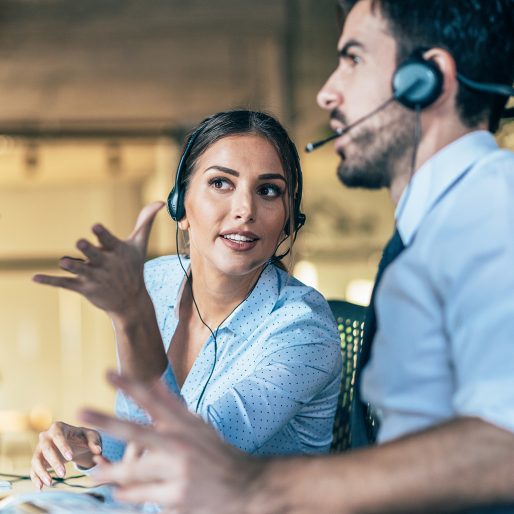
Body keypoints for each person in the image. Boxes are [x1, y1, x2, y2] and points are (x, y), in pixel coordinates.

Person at [80, 0, 514, 512]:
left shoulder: (490, 210)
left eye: (353, 59)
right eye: (220, 184)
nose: (327, 91)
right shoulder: (432, 229)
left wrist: (262, 486)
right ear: (182, 206)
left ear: (426, 78)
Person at [29, 110, 343, 489]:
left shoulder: (303, 330)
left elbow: (188, 456)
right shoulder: (154, 282)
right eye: (221, 183)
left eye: (268, 190)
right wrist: (89, 446)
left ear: (289, 220)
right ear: (181, 206)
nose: (245, 209)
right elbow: (145, 436)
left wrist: (132, 317)